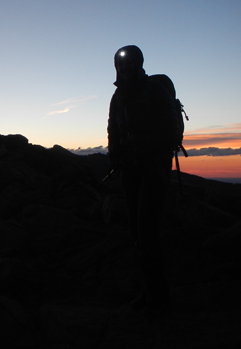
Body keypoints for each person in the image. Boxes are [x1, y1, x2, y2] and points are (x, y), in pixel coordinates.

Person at [107, 45, 177, 317]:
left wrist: (142, 149)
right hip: (130, 171)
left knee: (147, 232)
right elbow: (112, 129)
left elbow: (170, 132)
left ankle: (157, 297)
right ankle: (149, 292)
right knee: (138, 234)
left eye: (129, 65)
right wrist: (116, 155)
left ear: (138, 65)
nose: (124, 70)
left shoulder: (155, 91)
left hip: (153, 170)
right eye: (120, 66)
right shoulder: (118, 97)